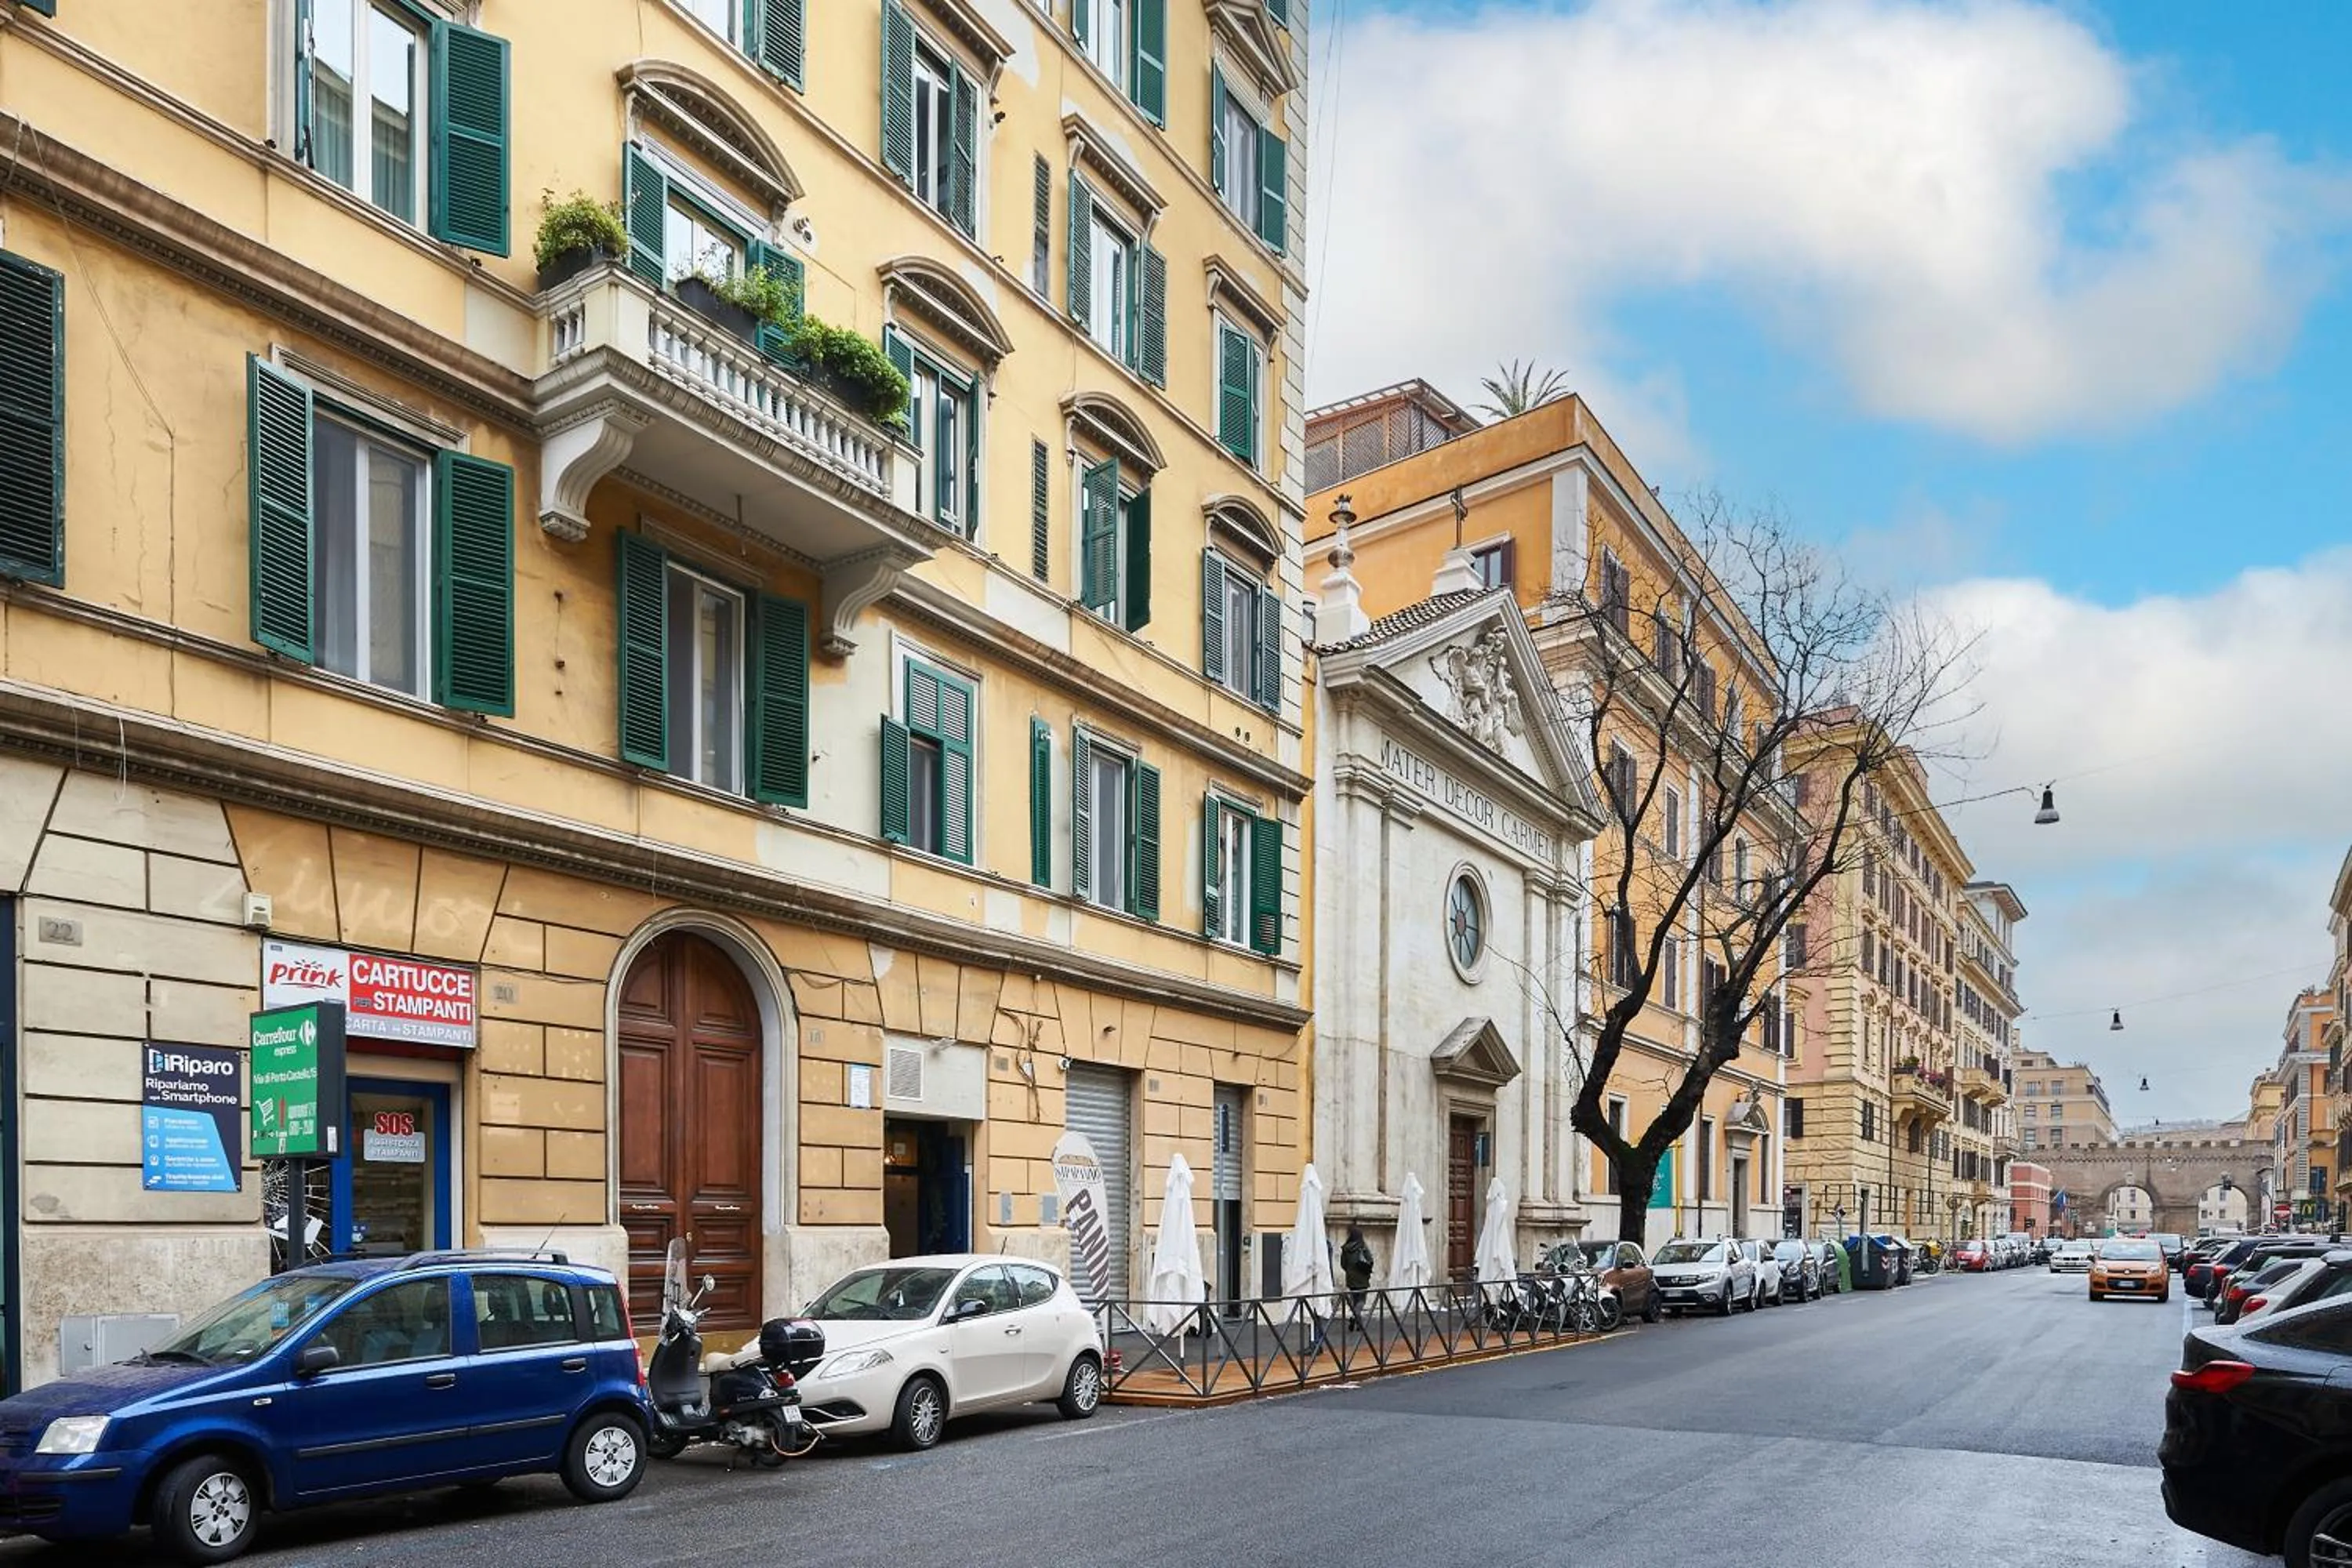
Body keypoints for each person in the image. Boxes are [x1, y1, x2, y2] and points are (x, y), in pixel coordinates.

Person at [1339, 1225, 1375, 1332]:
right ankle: (1355, 1316)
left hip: (1351, 1279)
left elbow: (1343, 1264)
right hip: (1363, 1278)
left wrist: (1350, 1271)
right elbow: (1370, 1261)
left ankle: (1358, 1324)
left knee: (1354, 1301)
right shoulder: (1362, 1246)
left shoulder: (1345, 1248)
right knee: (1361, 1301)